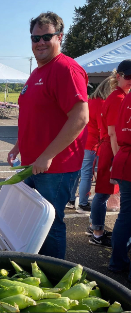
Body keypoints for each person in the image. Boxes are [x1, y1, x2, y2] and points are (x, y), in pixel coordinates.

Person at [7, 12, 89, 259]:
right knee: (33, 220)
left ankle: (54, 281)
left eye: (46, 36)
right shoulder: (36, 73)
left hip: (56, 168)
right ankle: (35, 268)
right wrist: (18, 145)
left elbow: (81, 118)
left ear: (59, 37)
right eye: (35, 38)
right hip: (34, 163)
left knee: (51, 224)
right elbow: (36, 116)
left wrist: (47, 155)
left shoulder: (66, 69)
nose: (40, 42)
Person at [88, 60, 131, 247]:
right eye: (128, 77)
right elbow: (113, 133)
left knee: (102, 193)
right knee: (103, 193)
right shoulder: (119, 99)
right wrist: (117, 159)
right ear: (119, 77)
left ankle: (96, 228)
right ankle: (97, 232)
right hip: (112, 150)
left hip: (109, 148)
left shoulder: (115, 96)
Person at [67, 77, 113, 212]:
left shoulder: (90, 100)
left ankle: (70, 199)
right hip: (92, 143)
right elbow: (102, 127)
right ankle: (82, 203)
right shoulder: (101, 103)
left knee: (79, 172)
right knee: (86, 173)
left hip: (82, 141)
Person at [108, 86, 131, 282]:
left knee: (125, 216)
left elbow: (115, 129)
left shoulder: (126, 97)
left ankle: (117, 262)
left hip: (124, 159)